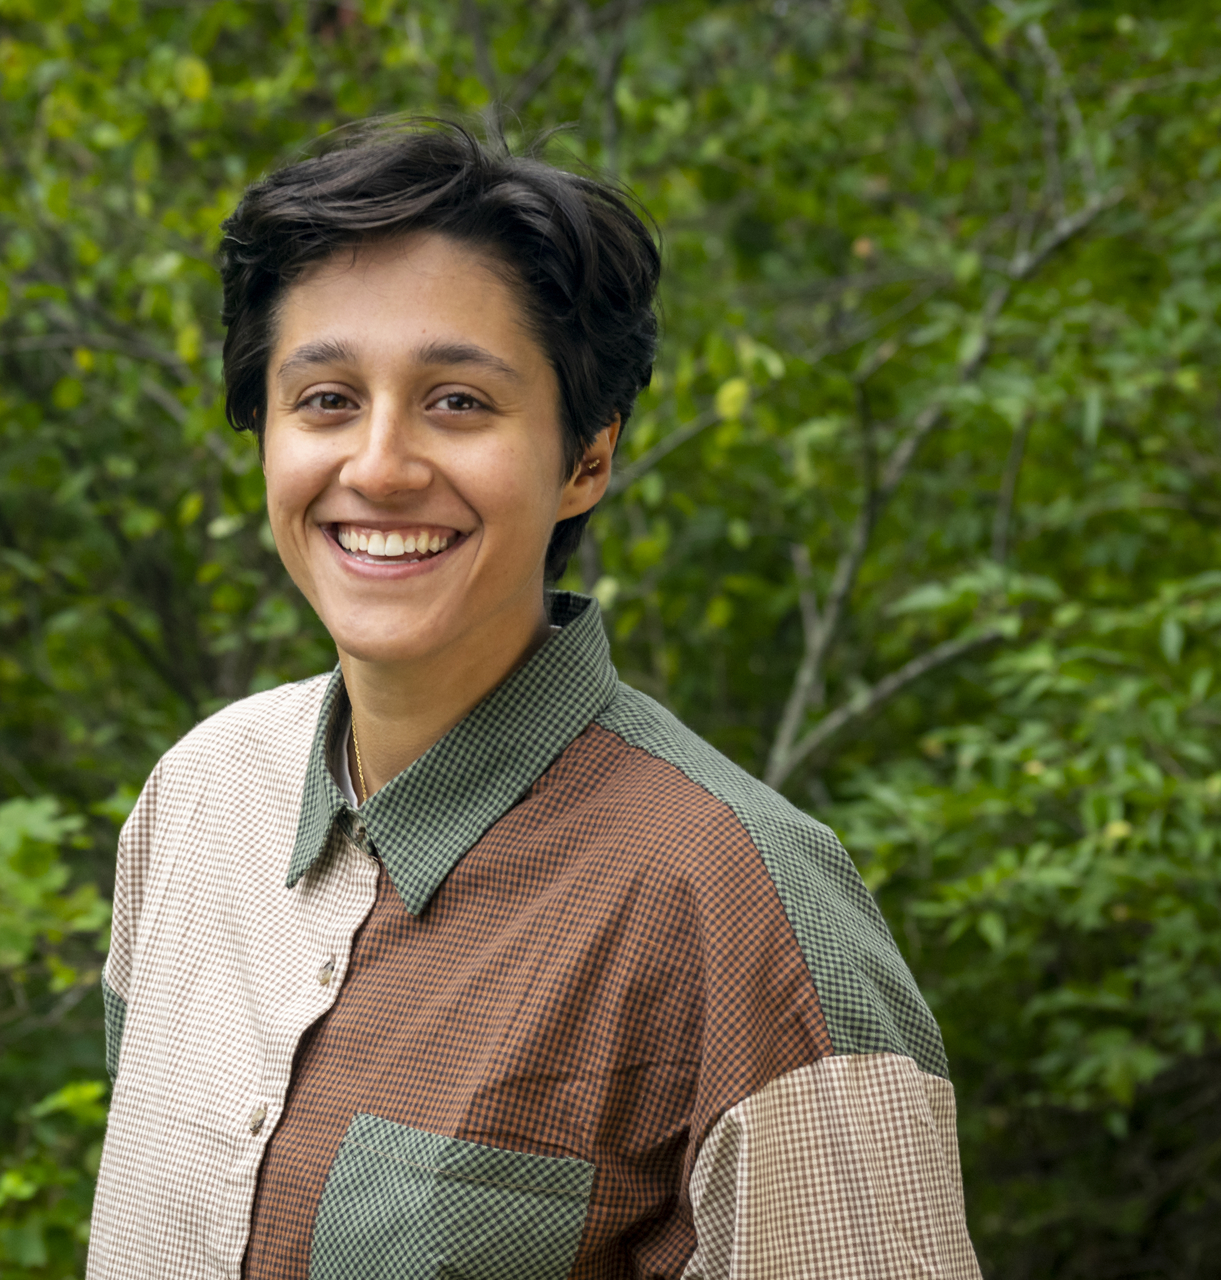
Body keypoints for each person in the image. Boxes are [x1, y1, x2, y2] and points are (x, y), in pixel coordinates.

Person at [87, 121, 980, 1280]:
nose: (380, 463)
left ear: (586, 457)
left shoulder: (738, 907)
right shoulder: (199, 797)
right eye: (325, 398)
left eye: (458, 400)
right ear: (263, 431)